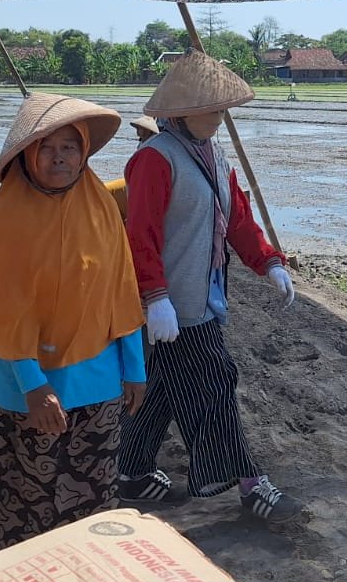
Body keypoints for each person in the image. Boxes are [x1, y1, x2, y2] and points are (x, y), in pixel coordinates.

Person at [118, 51, 302, 523]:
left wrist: (268, 263)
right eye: (214, 109)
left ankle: (131, 471)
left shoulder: (214, 156)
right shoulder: (154, 160)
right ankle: (248, 482)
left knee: (160, 386)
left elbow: (237, 217)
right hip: (175, 303)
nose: (221, 118)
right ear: (184, 111)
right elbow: (140, 235)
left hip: (204, 295)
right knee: (217, 380)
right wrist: (155, 297)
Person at [0, 93, 146, 550]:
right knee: (27, 500)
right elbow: (5, 306)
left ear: (84, 151)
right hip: (27, 385)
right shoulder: (12, 214)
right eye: (47, 146)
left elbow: (119, 285)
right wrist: (32, 383)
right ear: (28, 154)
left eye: (70, 146)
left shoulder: (100, 205)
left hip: (100, 379)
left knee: (92, 496)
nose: (59, 156)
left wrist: (134, 368)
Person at [104, 115, 161, 220]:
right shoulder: (143, 144)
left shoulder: (152, 147)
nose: (138, 131)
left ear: (147, 130)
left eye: (140, 129)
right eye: (137, 128)